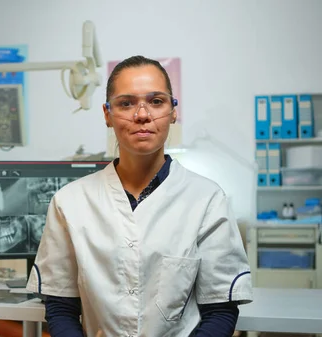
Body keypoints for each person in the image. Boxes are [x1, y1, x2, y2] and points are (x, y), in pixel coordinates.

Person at [26, 55, 253, 337]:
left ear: (173, 111)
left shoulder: (207, 200)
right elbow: (62, 306)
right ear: (107, 114)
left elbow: (220, 310)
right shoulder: (69, 202)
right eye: (126, 103)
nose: (142, 114)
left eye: (156, 101)